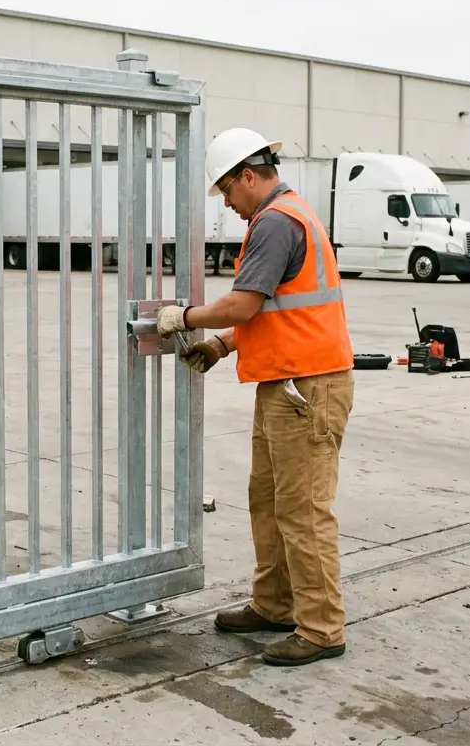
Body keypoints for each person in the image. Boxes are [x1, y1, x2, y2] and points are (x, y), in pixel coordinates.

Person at [155, 127, 355, 667]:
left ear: (249, 175)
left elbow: (243, 304)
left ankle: (320, 628)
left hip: (307, 389)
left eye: (226, 190)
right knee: (268, 502)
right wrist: (222, 344)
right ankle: (274, 605)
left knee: (303, 511)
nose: (226, 203)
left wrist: (187, 318)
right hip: (289, 384)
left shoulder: (274, 222)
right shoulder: (288, 215)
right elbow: (272, 310)